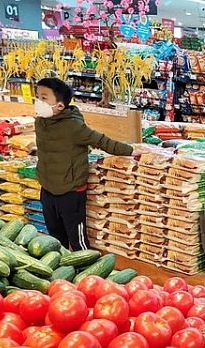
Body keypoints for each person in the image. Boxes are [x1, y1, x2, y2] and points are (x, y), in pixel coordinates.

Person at [34, 77, 138, 251]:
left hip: (71, 191)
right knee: (55, 238)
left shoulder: (74, 126)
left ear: (60, 106)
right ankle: (60, 270)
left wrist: (130, 150)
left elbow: (102, 141)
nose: (38, 102)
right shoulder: (40, 122)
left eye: (44, 98)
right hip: (48, 189)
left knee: (77, 237)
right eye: (37, 96)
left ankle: (85, 268)